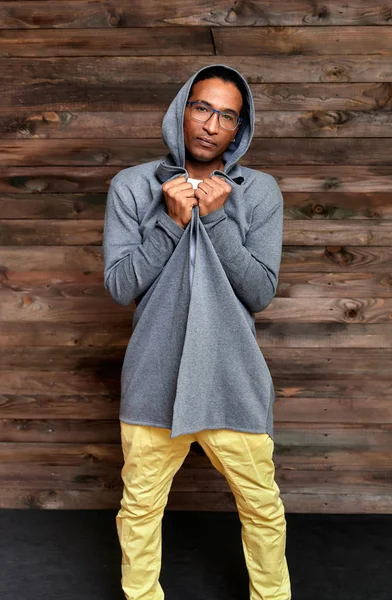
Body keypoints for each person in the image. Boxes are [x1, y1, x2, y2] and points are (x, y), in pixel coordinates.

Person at [103, 63, 291, 600]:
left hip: (231, 378)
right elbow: (120, 286)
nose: (211, 124)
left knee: (261, 505)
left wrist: (216, 219)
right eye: (202, 108)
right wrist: (171, 221)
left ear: (240, 129)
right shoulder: (133, 186)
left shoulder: (259, 192)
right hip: (153, 378)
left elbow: (259, 290)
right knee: (139, 507)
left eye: (227, 116)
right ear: (181, 109)